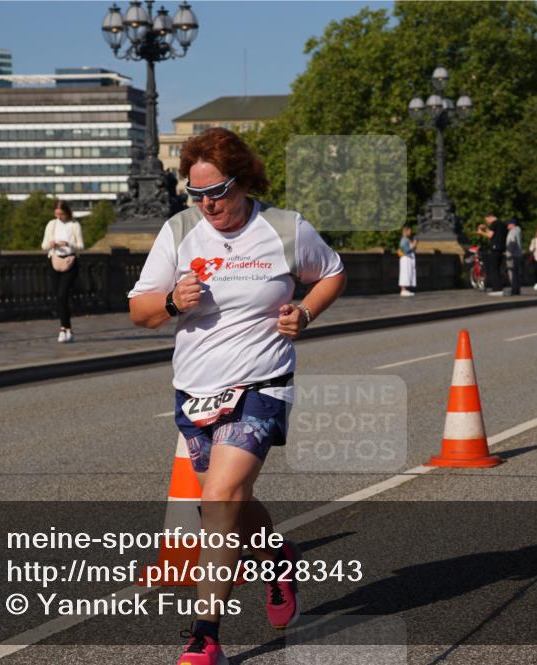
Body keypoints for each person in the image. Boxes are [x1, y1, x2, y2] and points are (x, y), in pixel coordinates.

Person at [127, 128, 346, 665]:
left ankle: (206, 636)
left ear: (242, 180)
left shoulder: (284, 229)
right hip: (196, 389)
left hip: (262, 383)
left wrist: (306, 313)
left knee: (221, 498)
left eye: (218, 191)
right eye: (196, 194)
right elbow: (140, 312)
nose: (208, 204)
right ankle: (278, 560)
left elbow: (333, 273)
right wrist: (174, 304)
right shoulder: (180, 232)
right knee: (227, 504)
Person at [41, 200, 84, 342]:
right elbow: (44, 246)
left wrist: (68, 244)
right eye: (57, 214)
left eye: (62, 214)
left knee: (62, 294)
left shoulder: (74, 225)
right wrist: (51, 244)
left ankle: (64, 328)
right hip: (55, 261)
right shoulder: (51, 224)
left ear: (67, 213)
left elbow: (81, 246)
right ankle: (66, 328)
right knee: (59, 297)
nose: (59, 217)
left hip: (70, 262)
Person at [478, 213, 507, 295]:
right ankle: (499, 289)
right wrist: (485, 229)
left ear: (490, 217)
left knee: (493, 270)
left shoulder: (494, 224)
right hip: (501, 249)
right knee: (498, 270)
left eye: (487, 220)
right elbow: (495, 234)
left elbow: (490, 235)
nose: (487, 222)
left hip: (495, 249)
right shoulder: (502, 224)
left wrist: (481, 232)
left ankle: (497, 290)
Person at [398, 224, 418, 296]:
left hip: (408, 258)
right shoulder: (404, 240)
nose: (410, 232)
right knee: (405, 274)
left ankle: (405, 289)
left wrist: (414, 246)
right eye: (409, 231)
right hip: (405, 258)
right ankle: (403, 289)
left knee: (407, 273)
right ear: (406, 231)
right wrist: (413, 245)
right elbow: (406, 250)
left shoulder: (406, 239)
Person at [506, 217, 523, 295]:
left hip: (513, 255)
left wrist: (509, 252)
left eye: (508, 224)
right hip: (518, 254)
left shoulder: (512, 232)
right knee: (517, 273)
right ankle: (517, 289)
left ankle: (514, 290)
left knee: (513, 273)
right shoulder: (518, 231)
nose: (507, 226)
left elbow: (512, 242)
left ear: (512, 224)